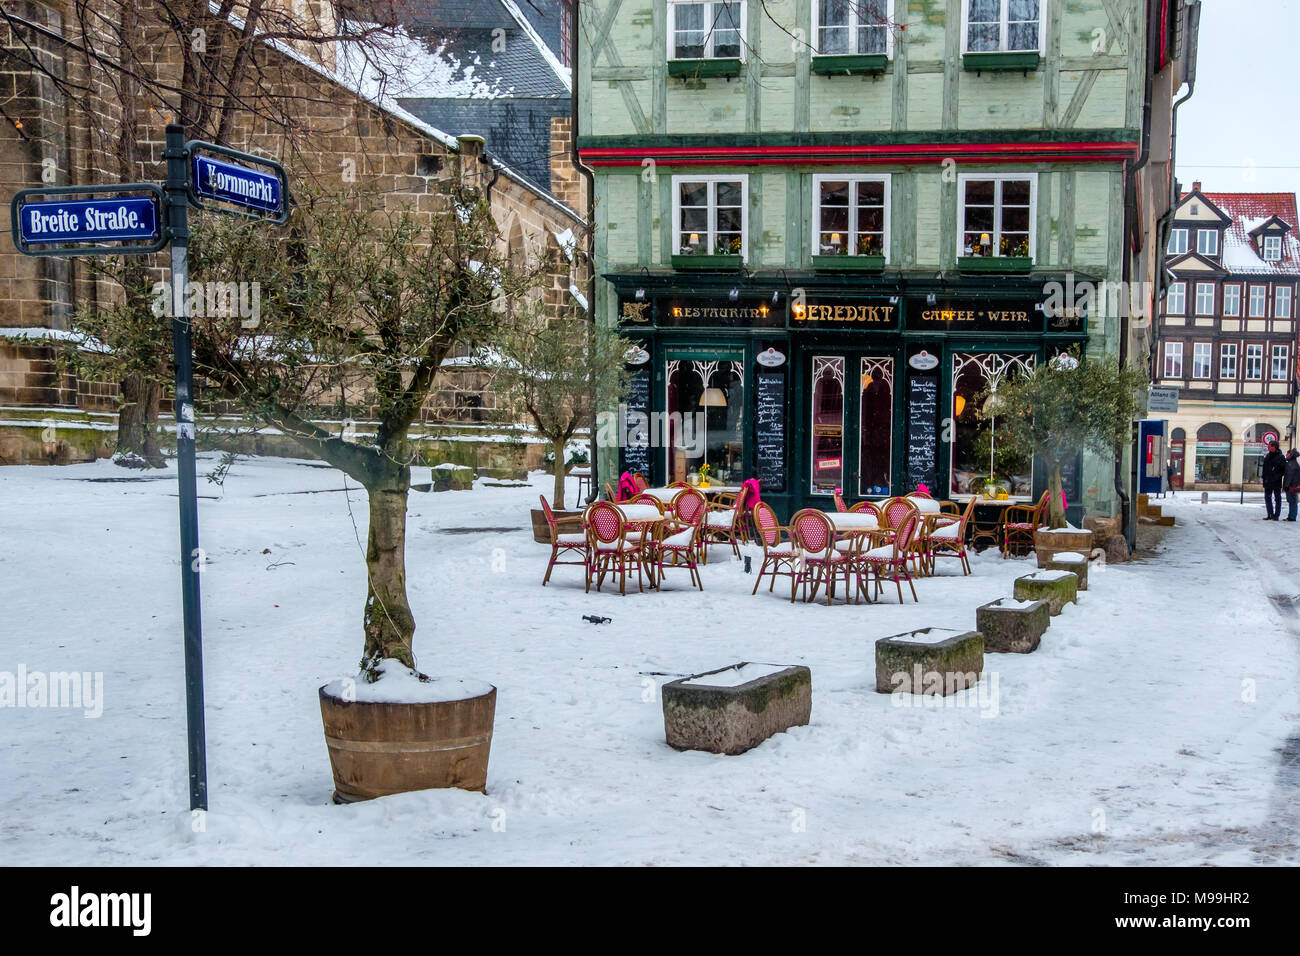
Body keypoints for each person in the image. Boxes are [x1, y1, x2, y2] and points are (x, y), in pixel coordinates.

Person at [1261, 439, 1286, 520]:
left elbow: (1283, 469)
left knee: (1277, 498)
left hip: (1276, 482)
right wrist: (1264, 478)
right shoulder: (1268, 456)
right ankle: (1270, 514)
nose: (1268, 447)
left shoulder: (1281, 457)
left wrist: (1276, 476)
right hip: (1267, 481)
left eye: (1269, 446)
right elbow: (1264, 468)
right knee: (1267, 497)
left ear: (1274, 447)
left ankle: (1276, 515)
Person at [1284, 449, 1300, 522]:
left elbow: (1289, 476)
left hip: (1292, 485)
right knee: (1292, 501)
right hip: (1293, 484)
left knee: (1292, 501)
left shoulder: (1291, 464)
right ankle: (1291, 516)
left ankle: (1292, 516)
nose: (1286, 455)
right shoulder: (1292, 463)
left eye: (1287, 454)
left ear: (1290, 455)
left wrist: (1287, 486)